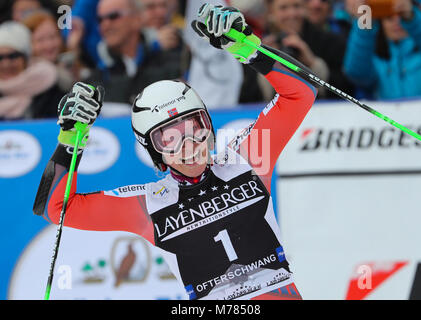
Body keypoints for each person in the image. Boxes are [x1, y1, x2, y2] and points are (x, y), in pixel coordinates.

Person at [33, 4, 318, 300]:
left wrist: (248, 47)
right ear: (153, 149)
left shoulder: (247, 160)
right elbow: (56, 209)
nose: (189, 145)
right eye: (169, 138)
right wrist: (70, 139)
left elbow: (303, 92)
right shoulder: (147, 205)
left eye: (194, 127)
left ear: (208, 123)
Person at [85, 0, 183, 104]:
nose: (105, 25)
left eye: (113, 16)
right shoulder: (94, 83)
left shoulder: (175, 64)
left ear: (137, 19)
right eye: (100, 20)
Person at [264, 0, 354, 99]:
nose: (292, 13)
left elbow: (346, 90)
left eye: (296, 6)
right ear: (271, 11)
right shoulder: (260, 44)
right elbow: (249, 96)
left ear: (305, 8)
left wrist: (313, 63)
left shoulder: (330, 41)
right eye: (283, 8)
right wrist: (265, 63)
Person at [343, 0, 421, 99]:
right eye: (389, 17)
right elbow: (356, 72)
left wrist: (411, 16)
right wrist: (364, 24)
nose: (397, 23)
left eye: (400, 16)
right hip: (383, 114)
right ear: (381, 23)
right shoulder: (375, 60)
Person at [0, 21, 65, 120]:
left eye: (13, 56)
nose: (6, 64)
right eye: (0, 57)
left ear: (26, 59)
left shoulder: (50, 88)